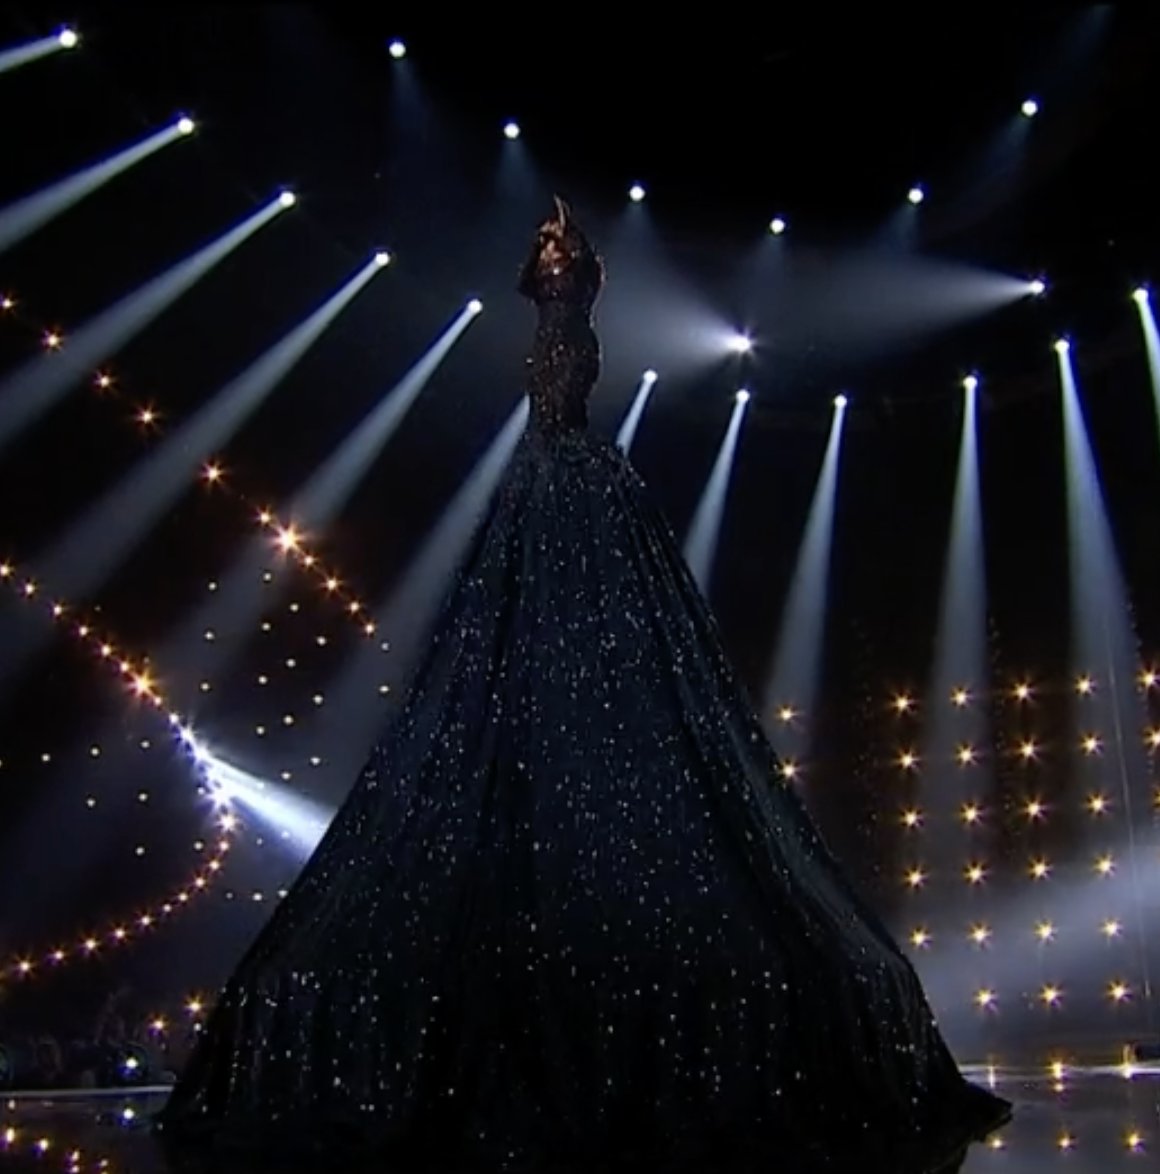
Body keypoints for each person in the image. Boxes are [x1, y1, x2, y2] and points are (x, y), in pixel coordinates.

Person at [155, 201, 1012, 1171]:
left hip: (565, 485)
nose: (549, 255)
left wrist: (563, 310)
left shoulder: (571, 345)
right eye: (545, 249)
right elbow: (550, 375)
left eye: (561, 248)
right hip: (552, 484)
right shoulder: (557, 366)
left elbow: (559, 368)